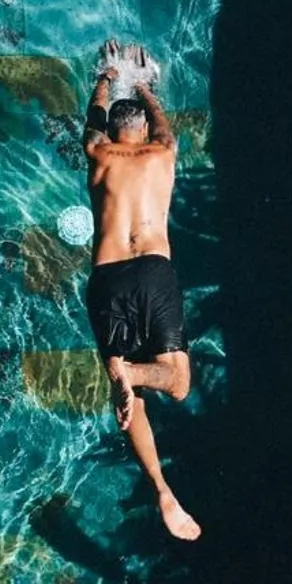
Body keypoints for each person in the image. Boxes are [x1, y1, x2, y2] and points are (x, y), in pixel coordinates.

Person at [82, 39, 200, 541]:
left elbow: (91, 117)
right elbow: (165, 125)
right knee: (176, 383)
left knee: (132, 399)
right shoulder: (163, 151)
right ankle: (129, 372)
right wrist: (147, 88)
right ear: (145, 130)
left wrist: (105, 78)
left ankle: (160, 486)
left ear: (112, 133)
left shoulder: (98, 153)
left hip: (107, 276)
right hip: (153, 269)